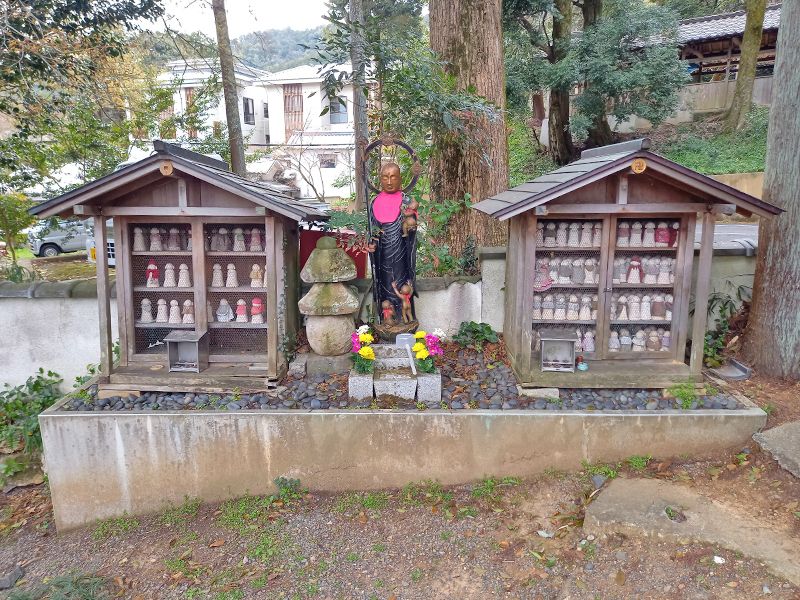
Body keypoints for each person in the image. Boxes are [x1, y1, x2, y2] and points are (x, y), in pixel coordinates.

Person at [367, 162, 417, 325]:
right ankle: (388, 312)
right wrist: (371, 244)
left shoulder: (406, 200)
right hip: (382, 252)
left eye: (393, 177)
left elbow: (412, 224)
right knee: (385, 279)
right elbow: (372, 229)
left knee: (402, 281)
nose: (389, 181)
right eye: (385, 177)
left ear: (400, 179)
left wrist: (410, 222)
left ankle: (404, 316)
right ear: (380, 179)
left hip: (402, 249)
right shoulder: (374, 202)